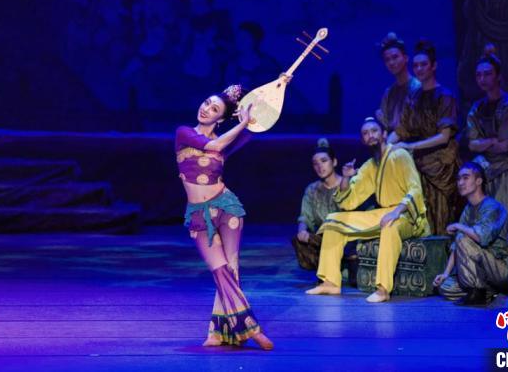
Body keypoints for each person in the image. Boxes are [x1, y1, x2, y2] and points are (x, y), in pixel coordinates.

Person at [175, 82, 287, 350]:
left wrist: (279, 85)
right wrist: (242, 123)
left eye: (214, 109)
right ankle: (251, 328)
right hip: (200, 214)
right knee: (219, 269)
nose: (206, 109)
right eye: (206, 103)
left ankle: (217, 332)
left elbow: (255, 126)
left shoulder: (227, 140)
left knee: (231, 269)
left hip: (227, 206)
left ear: (221, 118)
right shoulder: (184, 133)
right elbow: (213, 145)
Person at [305, 117, 430, 303]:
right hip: (384, 212)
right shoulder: (371, 165)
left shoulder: (400, 155)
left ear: (384, 134)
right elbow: (349, 201)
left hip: (406, 214)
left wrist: (396, 212)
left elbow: (415, 189)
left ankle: (383, 289)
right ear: (362, 139)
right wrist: (346, 178)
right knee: (333, 222)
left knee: (389, 226)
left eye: (374, 131)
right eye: (365, 133)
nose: (370, 135)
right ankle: (330, 282)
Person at [433, 162, 508, 306]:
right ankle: (487, 291)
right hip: (484, 268)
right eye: (459, 179)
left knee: (463, 238)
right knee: (445, 286)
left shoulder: (492, 207)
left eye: (465, 178)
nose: (460, 183)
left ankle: (478, 293)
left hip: (504, 266)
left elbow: (481, 237)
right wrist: (445, 273)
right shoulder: (468, 209)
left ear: (478, 181)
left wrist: (458, 226)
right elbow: (457, 246)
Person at [389, 39, 461, 235]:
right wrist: (385, 145)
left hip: (441, 164)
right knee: (423, 214)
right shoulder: (414, 96)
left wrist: (410, 147)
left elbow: (444, 136)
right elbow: (402, 130)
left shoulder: (445, 96)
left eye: (424, 64)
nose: (419, 69)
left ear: (433, 66)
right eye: (416, 65)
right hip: (418, 166)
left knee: (441, 214)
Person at [466, 52, 508, 235]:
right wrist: (492, 140)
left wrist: (484, 143)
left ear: (498, 76)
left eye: (487, 74)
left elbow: (504, 146)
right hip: (483, 168)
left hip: (504, 170)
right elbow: (472, 144)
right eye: (479, 75)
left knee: (501, 224)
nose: (482, 79)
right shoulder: (477, 107)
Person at [292, 139, 359, 284]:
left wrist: (347, 178)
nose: (320, 166)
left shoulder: (347, 183)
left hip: (347, 236)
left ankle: (347, 265)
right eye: (315, 163)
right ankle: (326, 270)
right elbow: (305, 216)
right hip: (323, 239)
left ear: (334, 162)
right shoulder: (312, 189)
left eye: (324, 161)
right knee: (300, 240)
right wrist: (302, 231)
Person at [374, 32, 421, 132]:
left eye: (395, 57)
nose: (391, 62)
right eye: (387, 60)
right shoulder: (389, 93)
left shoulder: (418, 88)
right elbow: (387, 126)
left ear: (406, 58)